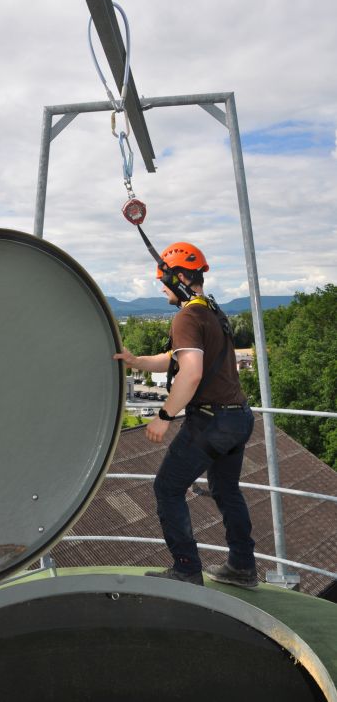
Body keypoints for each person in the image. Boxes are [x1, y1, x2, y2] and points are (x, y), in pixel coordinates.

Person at [114, 242, 257, 588]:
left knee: (167, 487)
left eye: (163, 279)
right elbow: (176, 358)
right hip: (238, 417)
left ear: (179, 277)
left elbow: (190, 373)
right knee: (226, 491)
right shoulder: (210, 311)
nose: (160, 286)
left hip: (212, 421)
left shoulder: (187, 316)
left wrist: (164, 415)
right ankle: (242, 567)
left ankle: (186, 569)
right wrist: (136, 362)